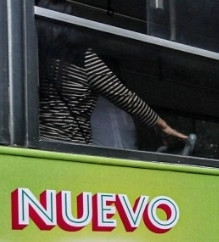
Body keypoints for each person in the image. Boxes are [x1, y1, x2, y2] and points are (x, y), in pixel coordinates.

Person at [35, 0, 186, 146]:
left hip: (39, 147)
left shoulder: (32, 57)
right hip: (72, 149)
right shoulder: (80, 57)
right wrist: (162, 125)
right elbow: (125, 97)